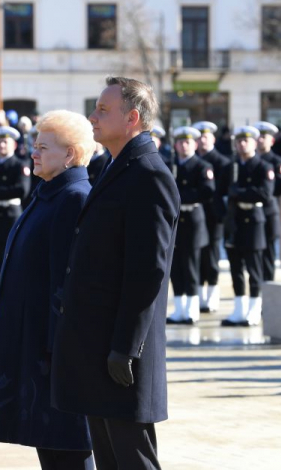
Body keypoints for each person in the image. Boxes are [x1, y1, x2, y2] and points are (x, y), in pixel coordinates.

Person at [51, 77, 179, 469]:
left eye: (103, 110)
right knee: (109, 460)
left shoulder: (148, 174)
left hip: (121, 353)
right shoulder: (116, 167)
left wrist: (127, 347)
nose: (92, 116)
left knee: (133, 460)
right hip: (98, 345)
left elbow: (148, 273)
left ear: (132, 118)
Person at [0, 110, 96, 468]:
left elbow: (66, 283)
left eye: (43, 147)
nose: (33, 153)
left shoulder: (73, 197)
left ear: (71, 155)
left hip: (54, 356)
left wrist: (57, 352)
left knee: (68, 448)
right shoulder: (50, 192)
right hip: (35, 346)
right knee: (50, 444)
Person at [220, 126, 274, 327]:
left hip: (253, 220)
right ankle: (239, 309)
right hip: (235, 221)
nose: (242, 144)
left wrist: (239, 193)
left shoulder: (263, 167)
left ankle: (253, 309)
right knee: (236, 269)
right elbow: (220, 193)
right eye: (239, 141)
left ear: (254, 142)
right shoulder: (230, 167)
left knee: (253, 268)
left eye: (247, 140)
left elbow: (264, 193)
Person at [166, 126, 215, 326]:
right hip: (176, 221)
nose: (183, 146)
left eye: (187, 142)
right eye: (180, 142)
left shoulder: (202, 166)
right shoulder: (171, 166)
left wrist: (180, 198)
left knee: (191, 266)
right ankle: (179, 308)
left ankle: (192, 309)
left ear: (194, 144)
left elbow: (207, 191)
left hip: (193, 218)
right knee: (176, 266)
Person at [0, 125, 31, 319]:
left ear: (13, 144)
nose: (2, 144)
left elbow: (21, 190)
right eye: (0, 140)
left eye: (5, 141)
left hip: (11, 214)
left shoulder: (20, 165)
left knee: (11, 257)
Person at [194, 121, 230, 313]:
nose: (202, 141)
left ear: (213, 139)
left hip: (214, 215)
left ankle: (213, 295)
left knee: (212, 255)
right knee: (198, 254)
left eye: (206, 137)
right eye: (199, 137)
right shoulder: (193, 161)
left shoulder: (221, 162)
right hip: (196, 214)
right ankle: (200, 295)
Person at [255, 121, 281, 282]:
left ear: (272, 141)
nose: (260, 140)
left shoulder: (277, 162)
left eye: (264, 137)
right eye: (258, 137)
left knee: (268, 254)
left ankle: (267, 289)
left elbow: (279, 188)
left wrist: (259, 194)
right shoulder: (248, 161)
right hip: (250, 214)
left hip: (267, 211)